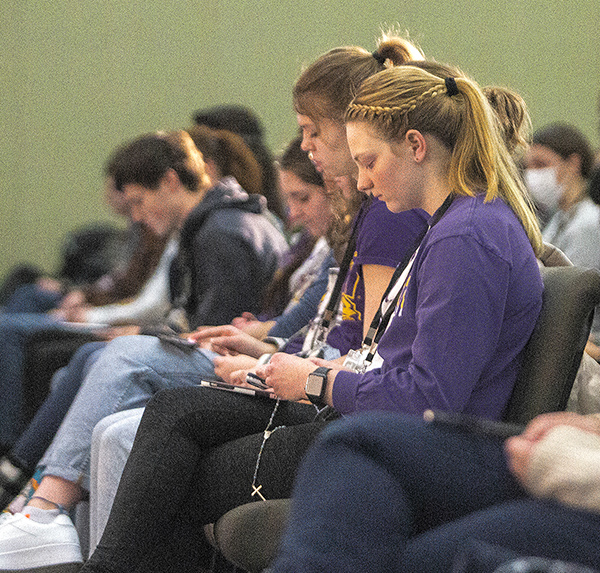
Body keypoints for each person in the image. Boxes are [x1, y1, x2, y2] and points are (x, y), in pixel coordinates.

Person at [74, 50, 544, 573]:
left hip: (421, 447)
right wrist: (317, 369)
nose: (362, 183)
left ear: (415, 147)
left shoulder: (467, 238)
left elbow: (432, 399)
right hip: (393, 427)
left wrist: (317, 381)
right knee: (176, 419)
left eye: (369, 162)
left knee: (181, 472)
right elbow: (396, 362)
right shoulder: (451, 224)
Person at [267, 409, 600, 572]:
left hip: (579, 477)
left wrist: (323, 379)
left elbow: (434, 391)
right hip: (577, 452)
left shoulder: (469, 270)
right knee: (355, 441)